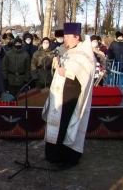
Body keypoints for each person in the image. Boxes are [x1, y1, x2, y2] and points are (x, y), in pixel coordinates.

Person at [42, 22, 95, 170]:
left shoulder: (85, 53)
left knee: (66, 125)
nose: (64, 40)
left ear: (77, 37)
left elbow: (87, 74)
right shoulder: (64, 50)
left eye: (67, 37)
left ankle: (68, 158)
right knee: (56, 124)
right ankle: (54, 155)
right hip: (59, 95)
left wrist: (68, 73)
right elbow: (56, 68)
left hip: (73, 97)